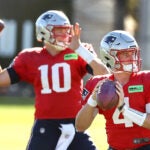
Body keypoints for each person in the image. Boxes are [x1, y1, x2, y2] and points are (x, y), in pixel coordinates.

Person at [0, 10, 109, 150]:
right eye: (59, 31)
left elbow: (103, 73)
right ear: (44, 32)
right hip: (45, 126)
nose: (65, 35)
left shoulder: (79, 51)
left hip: (76, 125)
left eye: (66, 30)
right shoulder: (29, 57)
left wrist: (79, 49)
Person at [75, 30, 150, 150]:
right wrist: (92, 100)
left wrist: (125, 110)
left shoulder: (146, 79)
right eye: (126, 54)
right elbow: (80, 126)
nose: (132, 57)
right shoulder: (98, 84)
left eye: (133, 53)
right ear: (109, 57)